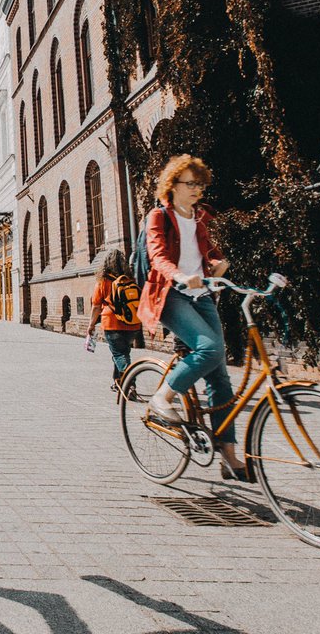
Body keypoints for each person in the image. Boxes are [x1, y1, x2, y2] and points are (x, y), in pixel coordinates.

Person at [136, 154, 247, 481]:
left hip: (202, 297)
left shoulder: (201, 217)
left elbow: (208, 253)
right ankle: (161, 398)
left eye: (200, 183)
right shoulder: (158, 217)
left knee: (220, 374)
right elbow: (157, 257)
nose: (197, 189)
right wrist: (181, 276)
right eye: (191, 183)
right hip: (169, 296)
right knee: (210, 349)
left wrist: (218, 265)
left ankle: (228, 456)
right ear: (174, 185)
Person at [85, 248, 143, 393]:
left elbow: (96, 306)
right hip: (133, 323)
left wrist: (91, 325)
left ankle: (130, 384)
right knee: (123, 353)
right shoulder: (130, 279)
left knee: (119, 355)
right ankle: (117, 382)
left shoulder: (103, 281)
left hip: (112, 324)